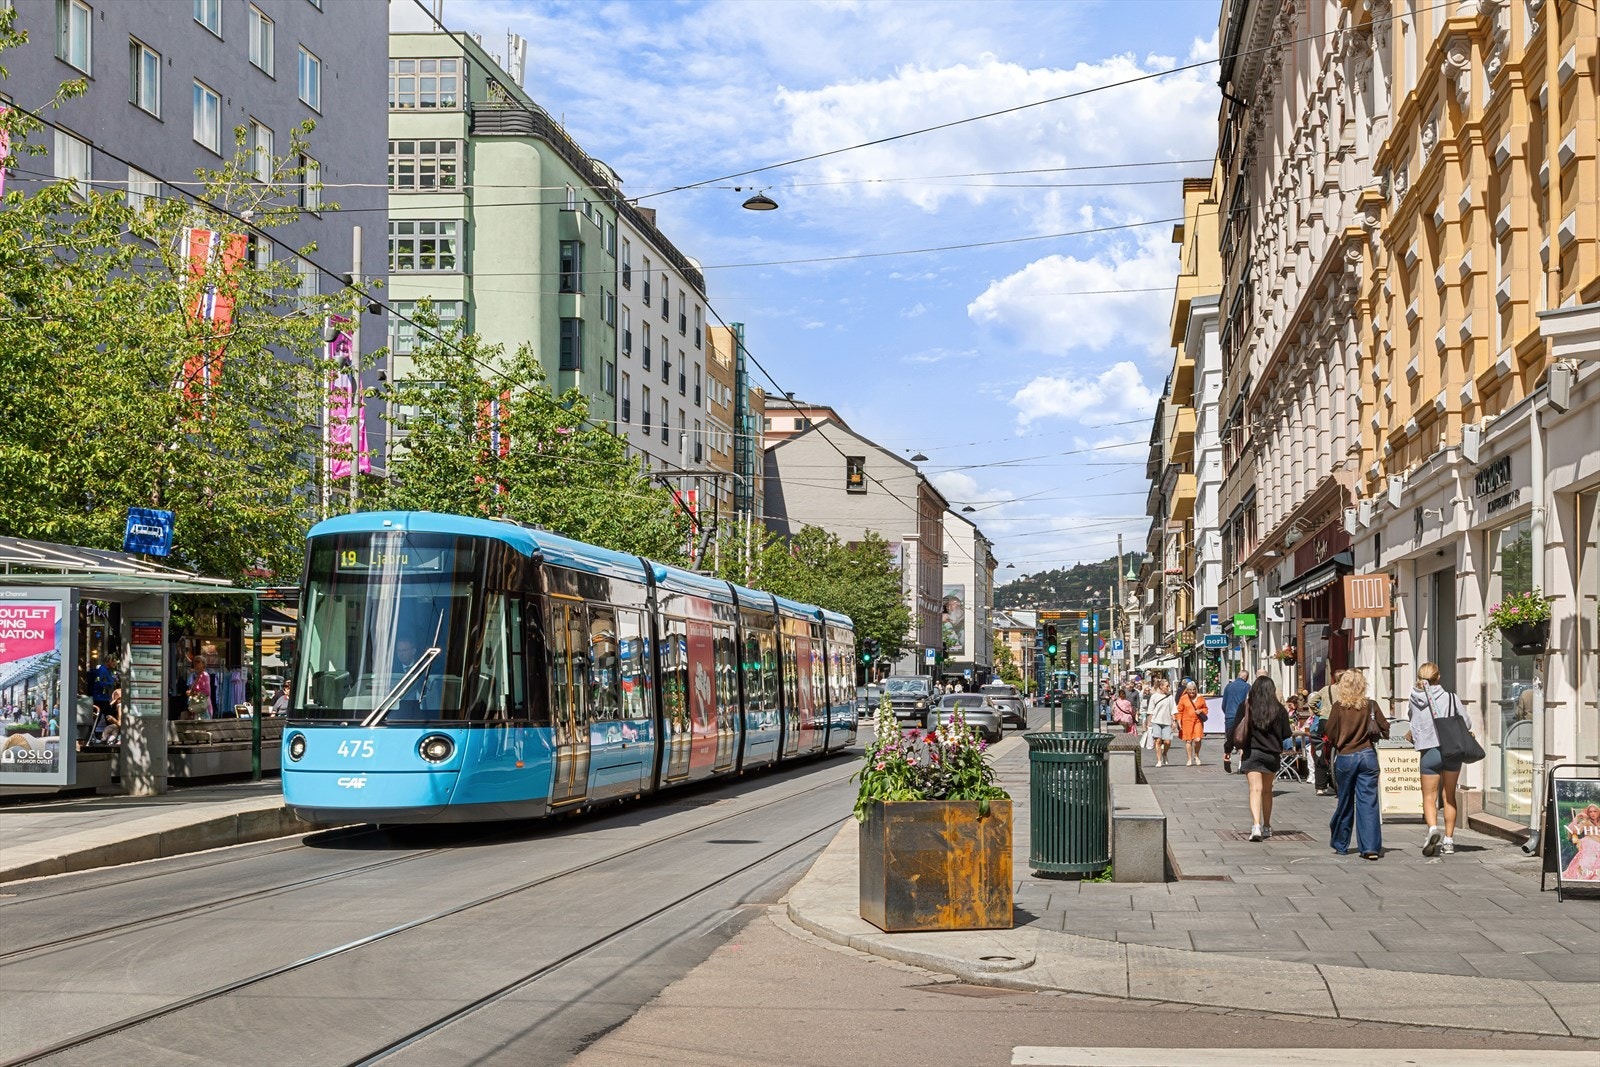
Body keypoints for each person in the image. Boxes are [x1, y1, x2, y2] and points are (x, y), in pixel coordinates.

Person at [1406, 661, 1474, 856]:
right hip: (1451, 749)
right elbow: (1466, 722)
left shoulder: (1413, 698)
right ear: (1438, 677)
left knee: (1429, 796)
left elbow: (1412, 720)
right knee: (1449, 795)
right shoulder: (1450, 697)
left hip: (1429, 751)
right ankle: (1449, 841)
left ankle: (1433, 829)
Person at [1326, 668, 1389, 860]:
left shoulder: (1338, 707)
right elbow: (1386, 728)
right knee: (1368, 802)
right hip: (1368, 756)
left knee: (1345, 801)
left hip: (1346, 757)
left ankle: (1341, 844)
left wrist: (1340, 741)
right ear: (1362, 686)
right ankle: (1370, 848)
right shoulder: (1371, 705)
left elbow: (1329, 731)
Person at [1236, 675, 1292, 840]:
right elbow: (1286, 733)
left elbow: (1236, 728)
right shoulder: (1279, 709)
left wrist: (1228, 748)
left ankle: (1256, 826)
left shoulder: (1247, 706)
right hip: (1271, 754)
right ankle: (1267, 825)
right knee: (1267, 791)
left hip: (1252, 752)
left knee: (1255, 789)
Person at [1220, 668, 1251, 774]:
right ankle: (1241, 765)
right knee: (1242, 740)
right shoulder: (1247, 687)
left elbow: (1223, 704)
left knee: (1229, 739)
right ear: (1246, 678)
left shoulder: (1228, 686)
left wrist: (1227, 713)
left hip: (1229, 716)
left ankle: (1227, 757)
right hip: (1242, 717)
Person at [1142, 677, 1176, 768]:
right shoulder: (1154, 696)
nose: (1168, 688)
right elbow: (1150, 710)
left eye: (1168, 686)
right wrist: (1149, 723)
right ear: (1161, 686)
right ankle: (1159, 760)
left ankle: (1164, 753)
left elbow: (1173, 710)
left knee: (1167, 742)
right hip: (1156, 721)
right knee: (1158, 740)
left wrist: (1174, 721)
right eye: (1167, 686)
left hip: (1167, 721)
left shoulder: (1170, 697)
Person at [1176, 680, 1207, 766]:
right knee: (1188, 740)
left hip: (1198, 721)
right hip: (1187, 721)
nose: (1192, 691)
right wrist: (1178, 721)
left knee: (1198, 739)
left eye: (1193, 689)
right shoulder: (1183, 698)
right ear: (1187, 690)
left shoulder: (1200, 698)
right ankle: (1189, 759)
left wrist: (1201, 711)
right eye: (1190, 690)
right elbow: (1179, 710)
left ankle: (1196, 755)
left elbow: (1205, 708)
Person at [186, 655, 213, 719]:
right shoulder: (198, 676)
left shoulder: (204, 675)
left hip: (203, 709)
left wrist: (192, 693)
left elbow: (207, 692)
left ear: (203, 664)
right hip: (198, 708)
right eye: (194, 661)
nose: (195, 663)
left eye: (198, 661)